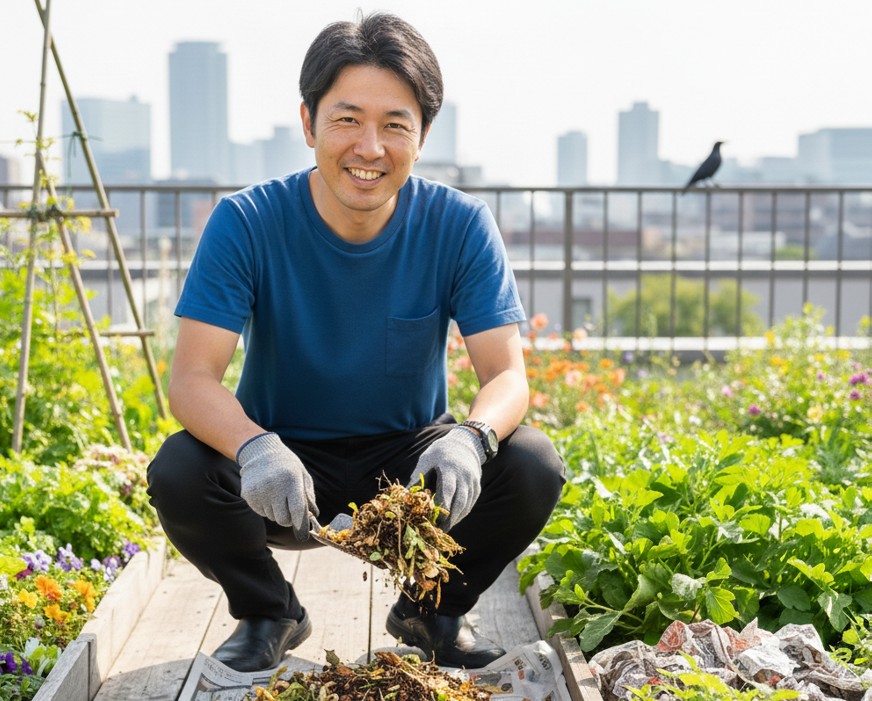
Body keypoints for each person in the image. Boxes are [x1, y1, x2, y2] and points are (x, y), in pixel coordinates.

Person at [147, 11, 564, 673]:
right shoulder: (245, 222)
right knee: (178, 469)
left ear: (422, 135)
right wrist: (254, 446)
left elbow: (506, 374)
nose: (370, 147)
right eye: (346, 119)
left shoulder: (459, 225)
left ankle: (432, 609)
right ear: (309, 124)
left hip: (411, 469)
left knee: (534, 462)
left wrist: (472, 438)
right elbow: (192, 379)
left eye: (395, 124)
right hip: (280, 465)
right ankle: (267, 611)